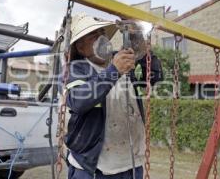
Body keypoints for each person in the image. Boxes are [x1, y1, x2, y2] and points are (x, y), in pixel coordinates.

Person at [61, 13, 163, 179]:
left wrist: (142, 48)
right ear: (80, 48)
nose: (101, 38)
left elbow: (153, 78)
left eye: (102, 33)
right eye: (93, 36)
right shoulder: (76, 69)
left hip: (131, 162)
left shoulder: (122, 60)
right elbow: (78, 101)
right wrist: (114, 71)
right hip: (94, 167)